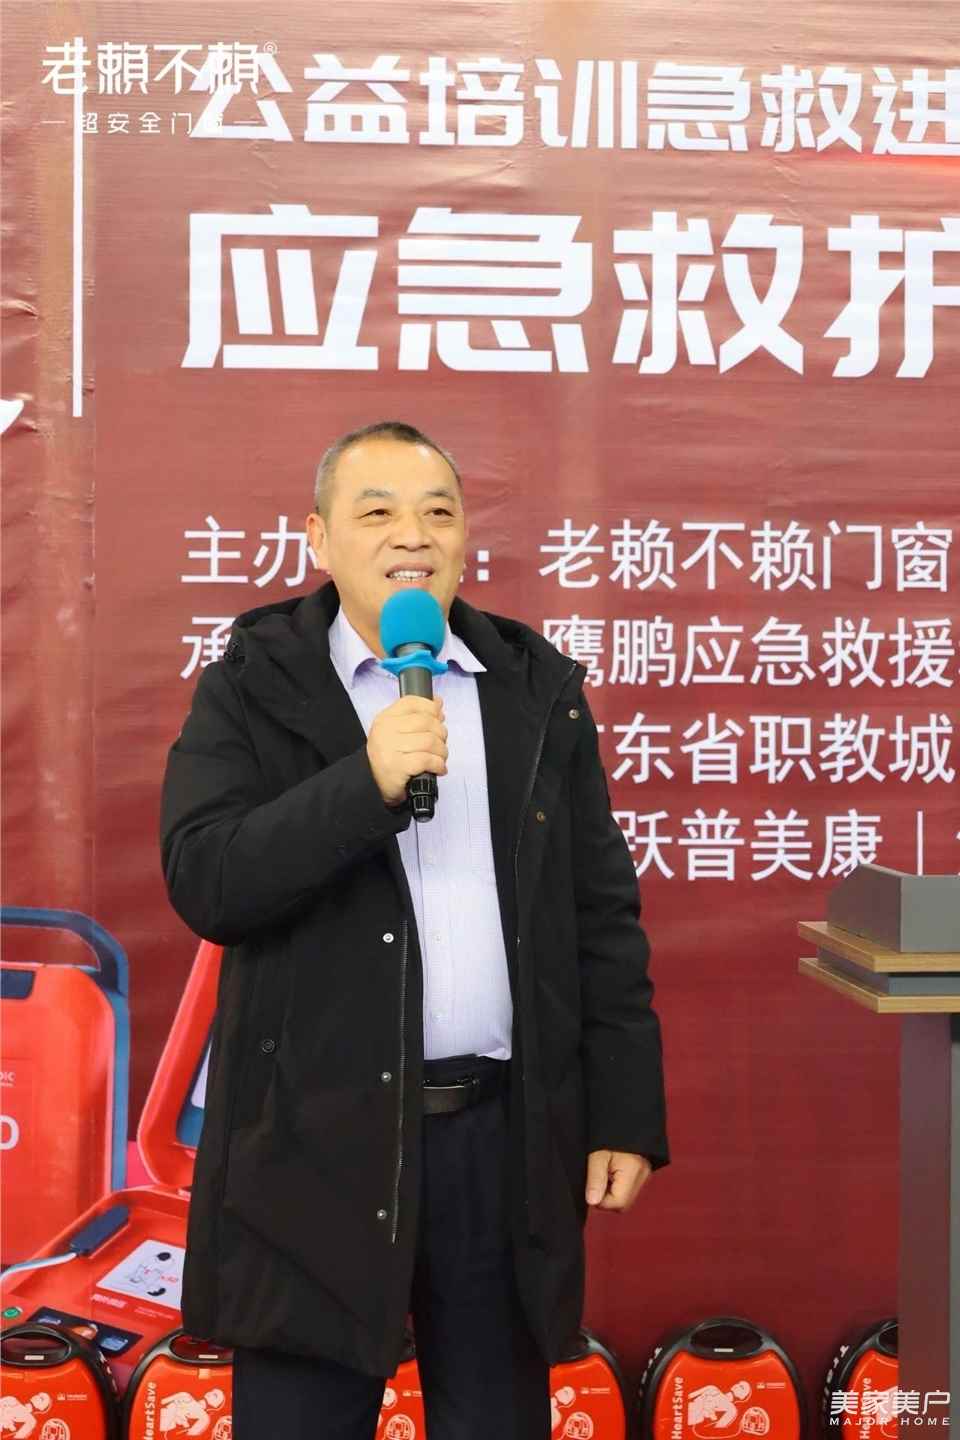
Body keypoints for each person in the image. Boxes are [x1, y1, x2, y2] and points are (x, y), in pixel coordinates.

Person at [159, 420, 670, 1440]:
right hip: (313, 1144)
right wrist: (366, 784)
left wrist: (624, 1109)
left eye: (439, 511)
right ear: (318, 537)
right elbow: (209, 879)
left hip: (497, 1142)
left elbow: (600, 916)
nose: (414, 535)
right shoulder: (255, 681)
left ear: (464, 535)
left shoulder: (534, 685)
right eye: (378, 512)